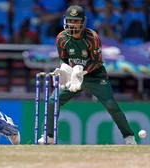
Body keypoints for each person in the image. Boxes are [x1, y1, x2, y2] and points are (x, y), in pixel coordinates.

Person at [38, 5, 136, 145]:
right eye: (70, 21)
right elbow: (63, 58)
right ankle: (49, 136)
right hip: (73, 77)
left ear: (82, 22)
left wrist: (81, 71)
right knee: (53, 100)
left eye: (76, 21)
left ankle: (129, 137)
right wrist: (64, 69)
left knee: (110, 105)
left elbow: (97, 61)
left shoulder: (91, 37)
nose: (73, 24)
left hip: (95, 76)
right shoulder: (62, 38)